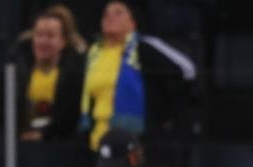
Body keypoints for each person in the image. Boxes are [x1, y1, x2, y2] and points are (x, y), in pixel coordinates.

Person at [79, 0, 193, 151]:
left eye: (118, 13)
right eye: (105, 14)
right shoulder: (93, 54)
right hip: (97, 144)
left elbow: (188, 69)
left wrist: (167, 117)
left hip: (139, 144)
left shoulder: (144, 47)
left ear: (132, 23)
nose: (109, 17)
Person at [13, 4, 85, 142]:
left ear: (63, 41)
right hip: (21, 146)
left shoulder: (74, 75)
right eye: (39, 35)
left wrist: (46, 135)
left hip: (61, 146)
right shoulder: (17, 72)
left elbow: (71, 117)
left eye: (51, 36)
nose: (44, 41)